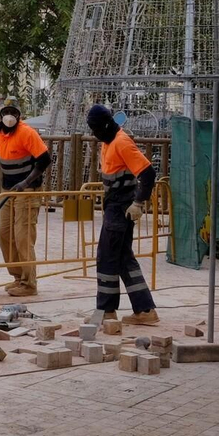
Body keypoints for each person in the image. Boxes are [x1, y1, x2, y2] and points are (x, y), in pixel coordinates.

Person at [87, 104, 159, 325]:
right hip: (114, 205)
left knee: (107, 256)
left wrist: (138, 202)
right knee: (122, 257)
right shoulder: (108, 141)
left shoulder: (121, 142)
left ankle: (106, 310)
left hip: (120, 207)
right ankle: (145, 309)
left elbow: (148, 174)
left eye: (96, 129)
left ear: (106, 125)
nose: (94, 134)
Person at [0, 103, 51, 296]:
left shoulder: (27, 133)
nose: (9, 116)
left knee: (23, 236)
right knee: (4, 234)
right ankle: (18, 276)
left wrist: (26, 181)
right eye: (6, 113)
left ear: (19, 116)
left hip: (27, 190)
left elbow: (45, 160)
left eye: (13, 113)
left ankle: (29, 284)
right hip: (8, 190)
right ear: (0, 116)